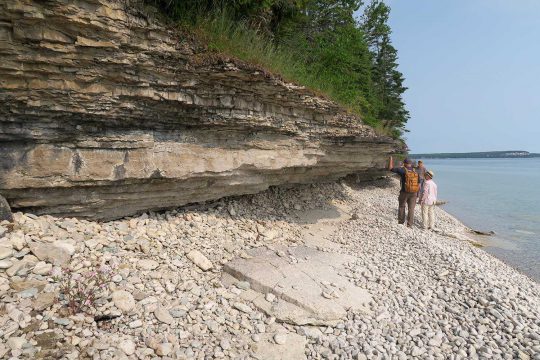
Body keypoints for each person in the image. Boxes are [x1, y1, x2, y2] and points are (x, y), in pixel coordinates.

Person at [388, 156, 420, 227]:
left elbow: (390, 168)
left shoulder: (402, 170)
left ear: (404, 163)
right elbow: (418, 183)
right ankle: (409, 224)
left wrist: (391, 159)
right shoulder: (416, 171)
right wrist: (418, 193)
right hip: (414, 192)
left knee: (402, 206)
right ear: (411, 164)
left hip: (404, 192)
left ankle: (401, 222)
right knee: (411, 209)